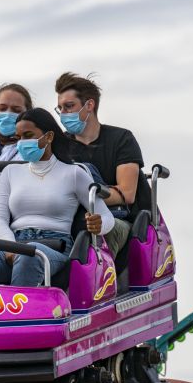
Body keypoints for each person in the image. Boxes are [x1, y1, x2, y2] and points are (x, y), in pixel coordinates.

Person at [0, 108, 114, 287]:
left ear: (49, 137)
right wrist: (10, 247)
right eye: (18, 137)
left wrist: (99, 224)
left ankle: (19, 312)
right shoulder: (10, 172)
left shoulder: (74, 173)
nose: (22, 143)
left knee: (31, 254)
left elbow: (107, 218)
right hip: (14, 243)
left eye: (28, 135)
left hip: (54, 247)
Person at [54, 72, 151, 257]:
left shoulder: (122, 139)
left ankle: (98, 281)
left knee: (94, 231)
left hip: (116, 218)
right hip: (68, 217)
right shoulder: (60, 145)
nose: (64, 114)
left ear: (89, 105)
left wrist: (80, 196)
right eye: (60, 109)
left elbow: (126, 194)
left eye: (69, 106)